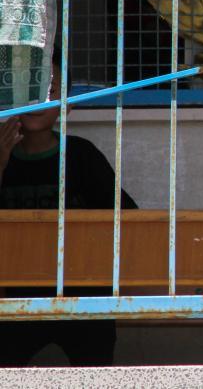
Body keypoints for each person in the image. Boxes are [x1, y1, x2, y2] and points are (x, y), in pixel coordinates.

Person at [0, 61, 137, 367]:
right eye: (29, 89)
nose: (39, 100)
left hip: (82, 292)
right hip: (13, 293)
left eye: (50, 90)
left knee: (94, 367)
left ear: (68, 105)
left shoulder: (80, 155)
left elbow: (127, 217)